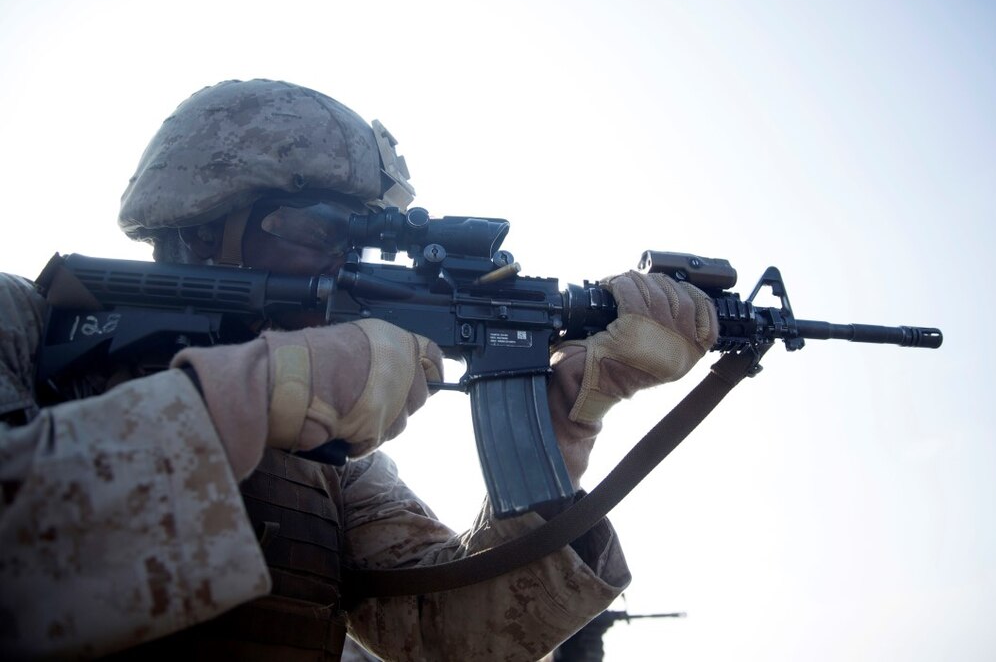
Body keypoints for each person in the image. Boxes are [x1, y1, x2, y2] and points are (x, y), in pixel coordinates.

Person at [0, 79, 719, 660]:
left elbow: (447, 639)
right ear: (199, 223)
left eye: (360, 238)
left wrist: (565, 432)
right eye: (320, 229)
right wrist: (243, 397)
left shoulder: (331, 464)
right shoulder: (25, 327)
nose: (345, 260)